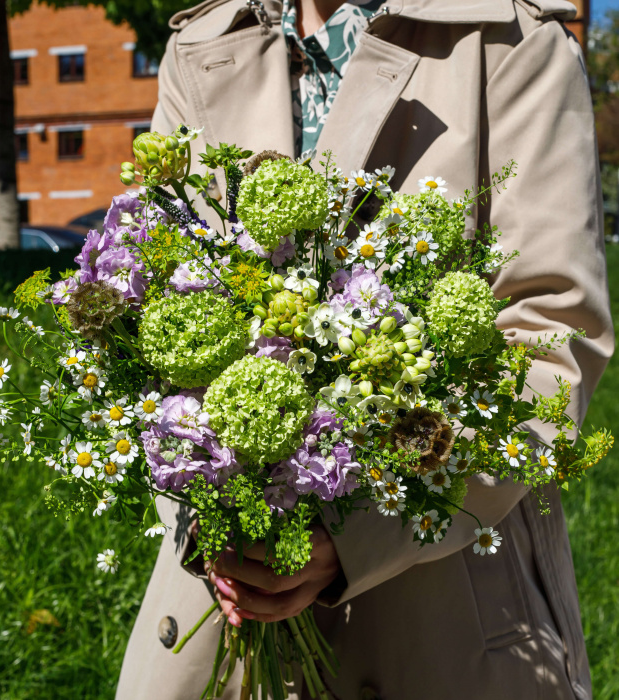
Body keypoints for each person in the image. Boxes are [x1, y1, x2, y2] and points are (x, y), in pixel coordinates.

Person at [116, 0, 614, 697]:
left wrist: (358, 535)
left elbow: (549, 340)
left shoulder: (509, 45)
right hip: (223, 601)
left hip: (442, 613)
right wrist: (215, 514)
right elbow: (144, 305)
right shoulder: (204, 45)